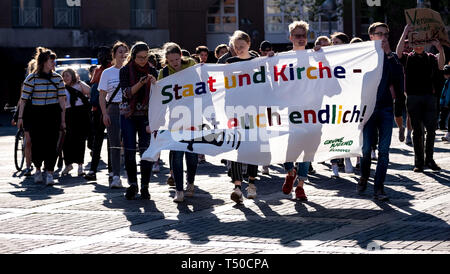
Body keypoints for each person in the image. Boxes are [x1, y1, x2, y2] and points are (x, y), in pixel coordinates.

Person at [357, 22, 406, 201]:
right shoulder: (363, 57)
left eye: (386, 34)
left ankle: (379, 187)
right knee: (366, 149)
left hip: (385, 108)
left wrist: (387, 54)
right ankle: (364, 175)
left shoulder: (391, 58)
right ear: (371, 37)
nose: (383, 37)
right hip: (368, 109)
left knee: (384, 151)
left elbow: (399, 80)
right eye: (379, 34)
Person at [396, 24, 446, 172]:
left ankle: (429, 160)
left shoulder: (431, 58)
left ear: (424, 44)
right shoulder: (407, 58)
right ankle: (419, 163)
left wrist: (440, 48)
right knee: (417, 131)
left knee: (431, 130)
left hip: (429, 97)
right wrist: (405, 32)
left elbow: (442, 66)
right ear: (411, 44)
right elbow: (398, 52)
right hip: (412, 98)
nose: (418, 46)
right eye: (415, 44)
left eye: (421, 43)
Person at [17, 47, 66, 185]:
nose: (54, 64)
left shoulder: (58, 78)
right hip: (36, 113)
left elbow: (62, 101)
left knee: (52, 144)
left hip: (53, 113)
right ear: (44, 62)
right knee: (37, 143)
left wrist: (63, 120)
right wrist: (20, 118)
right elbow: (24, 99)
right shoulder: (31, 78)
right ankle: (38, 170)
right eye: (52, 61)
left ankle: (50, 173)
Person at [157, 42, 198, 203]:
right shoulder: (164, 73)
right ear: (166, 60)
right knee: (177, 154)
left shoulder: (191, 65)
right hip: (174, 118)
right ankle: (179, 190)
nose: (175, 63)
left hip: (193, 116)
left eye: (176, 59)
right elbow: (160, 96)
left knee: (192, 155)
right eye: (171, 60)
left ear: (181, 56)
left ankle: (191, 183)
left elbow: (202, 84)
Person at [224, 30, 260, 203]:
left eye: (242, 47)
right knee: (237, 147)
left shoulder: (257, 62)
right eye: (236, 47)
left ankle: (251, 183)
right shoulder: (229, 62)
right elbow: (224, 88)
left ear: (249, 45)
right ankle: (237, 186)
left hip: (254, 110)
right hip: (234, 109)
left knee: (252, 146)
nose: (238, 50)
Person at [120, 41, 157, 200]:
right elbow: (127, 93)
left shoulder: (153, 70)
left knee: (146, 152)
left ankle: (145, 186)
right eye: (140, 57)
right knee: (129, 150)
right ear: (133, 56)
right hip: (128, 114)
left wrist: (154, 83)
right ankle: (133, 184)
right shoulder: (125, 70)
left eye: (145, 57)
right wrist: (141, 83)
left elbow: (159, 94)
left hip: (146, 116)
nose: (143, 60)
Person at [280, 21, 311, 202]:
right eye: (297, 35)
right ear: (290, 37)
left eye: (303, 36)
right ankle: (290, 171)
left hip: (311, 109)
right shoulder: (283, 58)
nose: (300, 39)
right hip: (290, 109)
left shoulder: (313, 57)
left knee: (308, 148)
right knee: (287, 145)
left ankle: (300, 186)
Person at [98, 41, 129, 188]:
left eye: (125, 51)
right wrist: (104, 114)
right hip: (114, 109)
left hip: (129, 108)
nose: (123, 54)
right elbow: (102, 95)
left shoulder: (131, 70)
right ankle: (116, 175)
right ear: (114, 54)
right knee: (115, 144)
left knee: (128, 143)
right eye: (120, 52)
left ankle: (130, 175)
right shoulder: (107, 72)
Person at [84, 46, 112, 181]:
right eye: (99, 54)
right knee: (98, 140)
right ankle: (93, 169)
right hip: (97, 109)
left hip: (109, 108)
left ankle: (111, 170)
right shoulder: (97, 70)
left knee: (109, 141)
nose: (101, 56)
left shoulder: (110, 70)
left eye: (103, 54)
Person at [61, 68, 91, 177]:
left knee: (80, 140)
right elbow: (63, 106)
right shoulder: (62, 88)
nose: (65, 78)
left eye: (67, 75)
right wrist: (63, 120)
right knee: (67, 140)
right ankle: (68, 164)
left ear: (73, 76)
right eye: (64, 76)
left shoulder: (79, 85)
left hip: (81, 114)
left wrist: (80, 83)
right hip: (69, 114)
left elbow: (89, 91)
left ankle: (80, 166)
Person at [440, 65, 450, 141]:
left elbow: (447, 94)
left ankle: (448, 135)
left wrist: (445, 103)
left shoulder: (448, 82)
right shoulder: (447, 81)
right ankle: (448, 134)